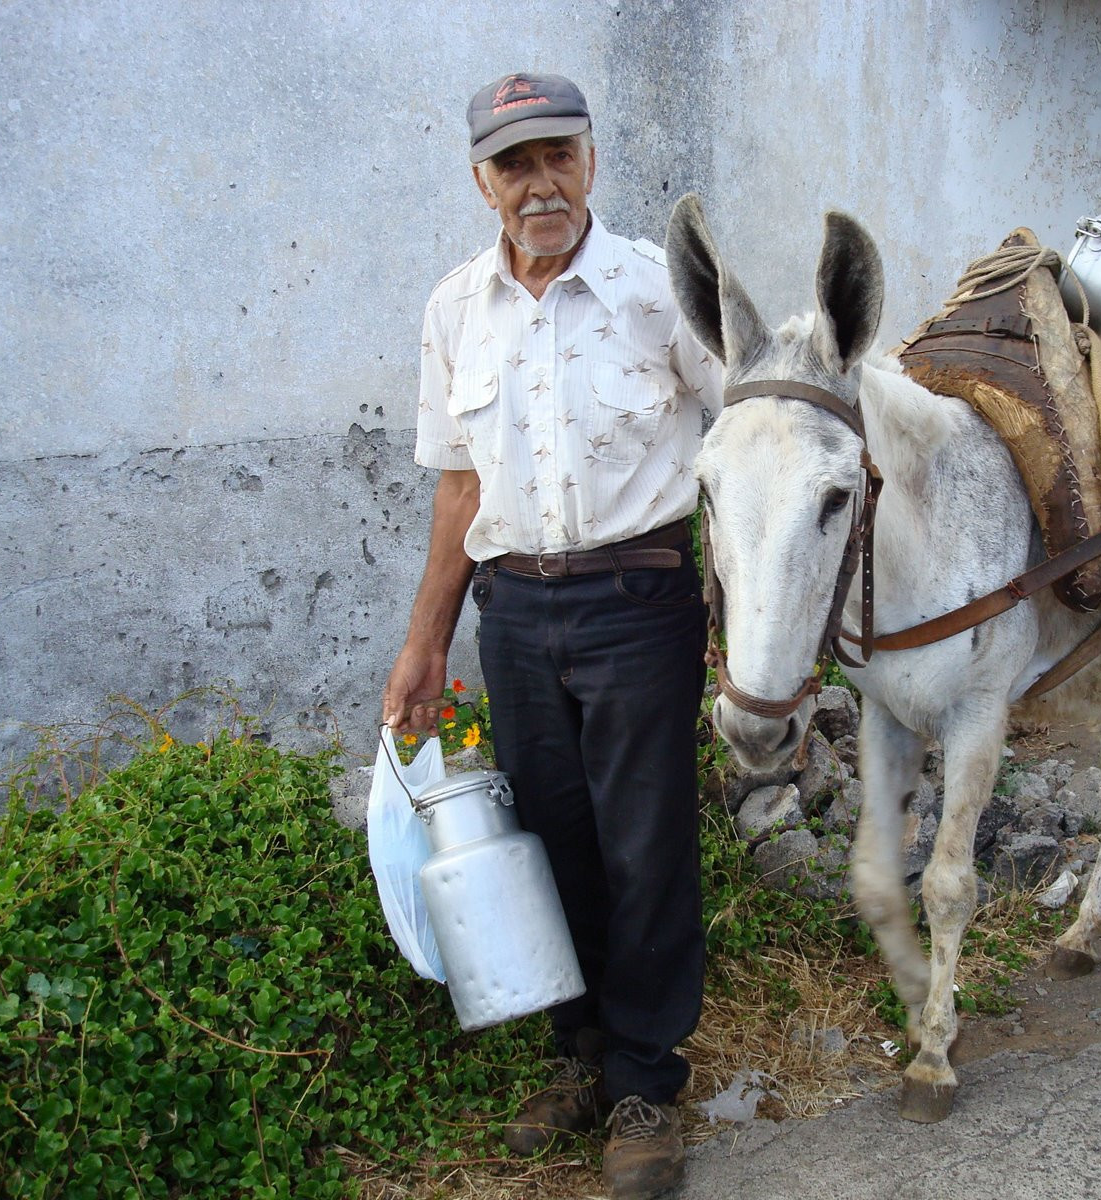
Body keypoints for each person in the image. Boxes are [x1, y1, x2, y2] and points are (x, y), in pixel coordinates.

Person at [381, 71, 719, 1200]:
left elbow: (741, 442)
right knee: (553, 844)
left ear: (591, 162)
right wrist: (427, 644)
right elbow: (458, 491)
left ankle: (644, 1086)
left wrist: (750, 612)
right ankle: (581, 1058)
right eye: (514, 164)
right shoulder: (451, 311)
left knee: (647, 848)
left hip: (641, 604)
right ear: (481, 181)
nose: (540, 184)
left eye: (558, 156)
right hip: (514, 612)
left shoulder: (661, 289)